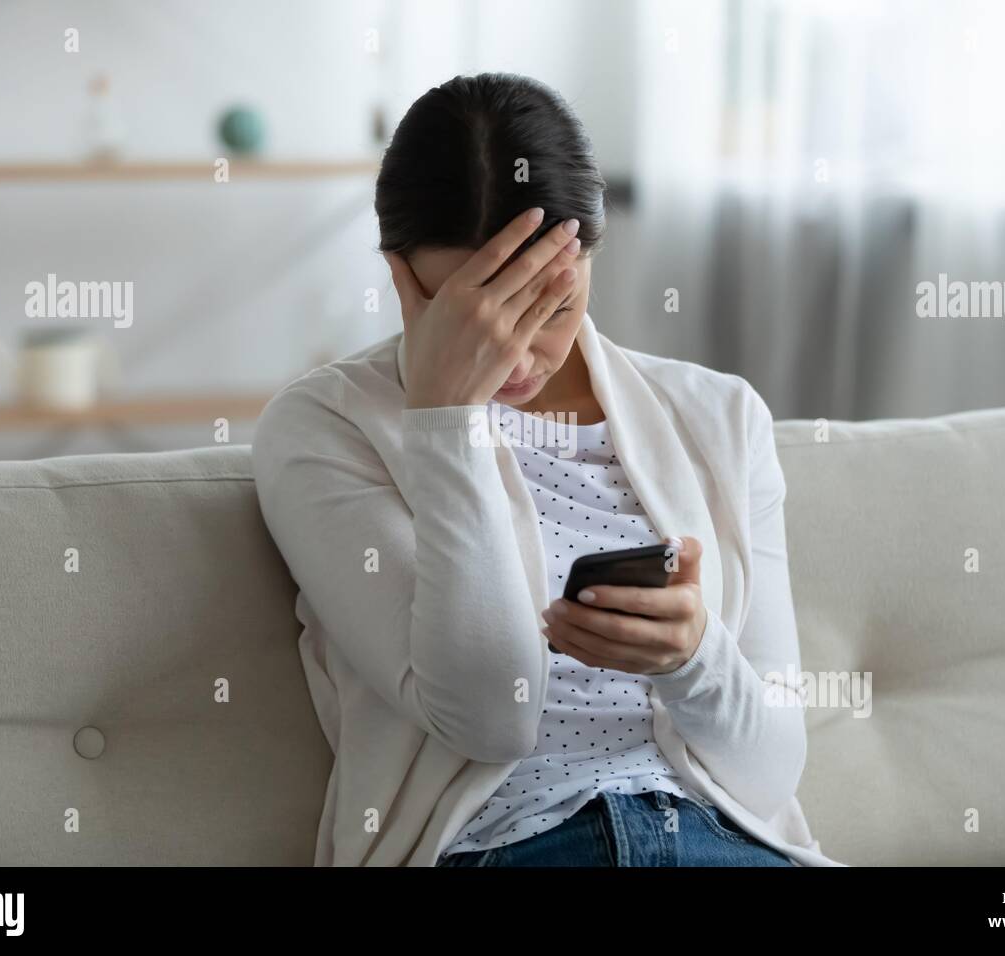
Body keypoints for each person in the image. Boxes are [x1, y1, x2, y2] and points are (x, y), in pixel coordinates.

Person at [252, 73, 840, 867]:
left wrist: (695, 659)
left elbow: (771, 775)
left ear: (592, 253)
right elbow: (491, 715)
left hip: (715, 840)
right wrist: (445, 419)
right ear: (402, 276)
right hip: (508, 846)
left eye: (549, 308)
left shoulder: (721, 417)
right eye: (475, 312)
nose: (517, 357)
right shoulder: (326, 426)